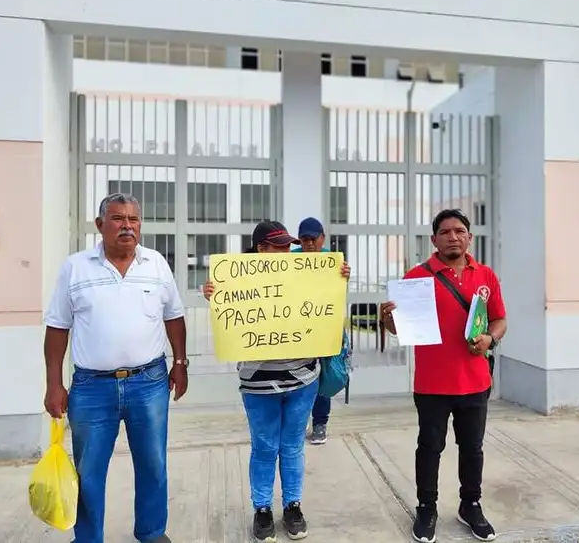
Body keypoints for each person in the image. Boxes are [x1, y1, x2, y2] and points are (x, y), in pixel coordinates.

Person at [43, 193, 188, 543]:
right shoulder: (75, 267)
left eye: (134, 220)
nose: (127, 226)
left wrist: (180, 363)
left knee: (153, 464)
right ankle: (89, 537)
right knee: (89, 471)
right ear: (100, 225)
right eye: (118, 219)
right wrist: (53, 384)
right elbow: (57, 328)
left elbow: (174, 317)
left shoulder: (155, 264)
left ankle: (152, 532)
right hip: (92, 388)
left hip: (149, 383)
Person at [202, 220, 350, 542]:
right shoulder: (237, 280)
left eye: (287, 245)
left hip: (303, 378)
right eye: (279, 245)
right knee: (265, 446)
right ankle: (263, 509)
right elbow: (227, 316)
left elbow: (328, 309)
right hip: (258, 383)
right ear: (260, 249)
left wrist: (337, 280)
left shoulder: (305, 274)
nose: (287, 251)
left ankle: (293, 506)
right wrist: (212, 294)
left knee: (293, 445)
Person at [380, 209, 507, 543]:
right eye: (446, 232)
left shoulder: (486, 276)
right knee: (430, 447)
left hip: (475, 381)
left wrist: (490, 338)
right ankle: (427, 508)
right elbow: (400, 329)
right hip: (433, 384)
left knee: (472, 448)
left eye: (460, 231)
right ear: (434, 239)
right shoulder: (416, 277)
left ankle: (471, 505)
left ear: (469, 237)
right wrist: (388, 320)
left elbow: (499, 320)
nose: (454, 237)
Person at [291, 217, 335, 445]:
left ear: (322, 238)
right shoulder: (289, 259)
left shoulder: (333, 261)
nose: (309, 244)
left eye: (313, 239)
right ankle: (299, 421)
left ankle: (320, 423)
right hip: (296, 328)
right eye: (304, 239)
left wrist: (343, 275)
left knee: (322, 378)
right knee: (299, 376)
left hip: (323, 328)